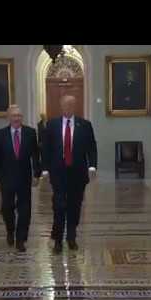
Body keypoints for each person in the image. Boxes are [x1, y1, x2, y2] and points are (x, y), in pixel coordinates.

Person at [42, 95, 98, 254]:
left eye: (72, 105)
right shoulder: (52, 125)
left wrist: (92, 166)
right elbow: (46, 149)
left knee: (75, 206)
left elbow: (92, 147)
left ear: (75, 107)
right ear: (61, 106)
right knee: (59, 206)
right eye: (66, 105)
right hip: (58, 173)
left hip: (78, 173)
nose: (69, 107)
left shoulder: (85, 125)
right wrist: (45, 169)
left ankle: (71, 237)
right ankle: (58, 241)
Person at [0, 105, 41, 252]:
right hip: (6, 178)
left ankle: (21, 239)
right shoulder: (0, 134)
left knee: (25, 210)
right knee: (6, 208)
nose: (17, 118)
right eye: (14, 115)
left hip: (24, 177)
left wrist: (36, 174)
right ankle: (10, 231)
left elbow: (36, 155)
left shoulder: (30, 133)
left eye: (19, 115)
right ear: (8, 117)